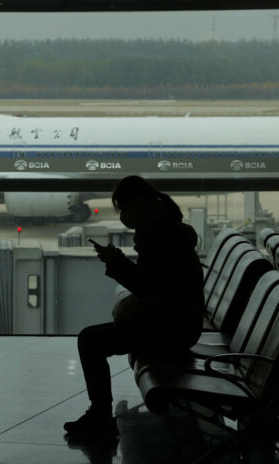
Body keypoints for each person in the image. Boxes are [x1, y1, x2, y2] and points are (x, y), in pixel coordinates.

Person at [63, 175, 205, 440]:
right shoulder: (166, 229)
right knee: (94, 338)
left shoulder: (161, 236)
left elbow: (147, 288)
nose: (123, 216)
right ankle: (99, 415)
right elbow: (154, 286)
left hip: (172, 328)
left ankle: (101, 417)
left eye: (125, 208)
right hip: (180, 322)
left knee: (90, 341)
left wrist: (116, 262)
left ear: (141, 204)